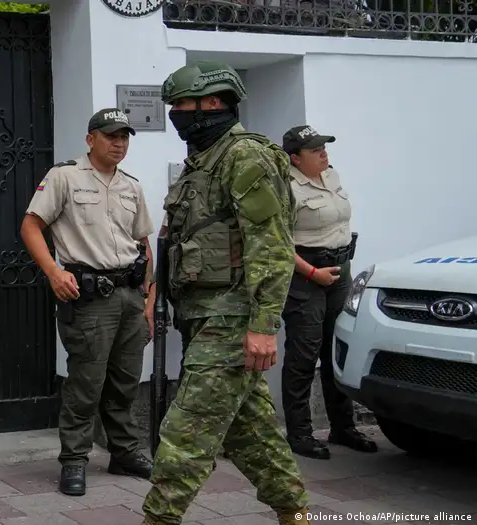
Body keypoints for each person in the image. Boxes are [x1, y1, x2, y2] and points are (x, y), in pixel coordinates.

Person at [141, 61, 311, 525]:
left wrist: (263, 326)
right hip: (203, 317)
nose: (175, 114)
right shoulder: (203, 163)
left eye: (181, 105)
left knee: (184, 433)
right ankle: (295, 513)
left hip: (231, 319)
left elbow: (271, 246)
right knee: (252, 432)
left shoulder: (246, 156)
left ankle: (158, 518)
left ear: (212, 103)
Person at [21, 108, 155, 496]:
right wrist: (53, 271)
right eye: (111, 136)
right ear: (90, 139)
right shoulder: (64, 177)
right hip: (90, 298)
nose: (119, 143)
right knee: (86, 384)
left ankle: (124, 452)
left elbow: (143, 244)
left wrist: (149, 298)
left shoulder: (131, 185)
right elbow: (31, 225)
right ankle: (74, 460)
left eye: (125, 137)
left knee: (127, 381)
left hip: (130, 295)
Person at [279, 125, 377, 459]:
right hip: (306, 275)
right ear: (295, 158)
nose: (324, 153)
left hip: (339, 272)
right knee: (303, 355)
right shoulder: (285, 187)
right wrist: (312, 273)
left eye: (324, 147)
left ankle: (343, 427)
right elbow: (277, 242)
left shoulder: (331, 176)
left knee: (337, 351)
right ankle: (300, 433)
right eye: (315, 149)